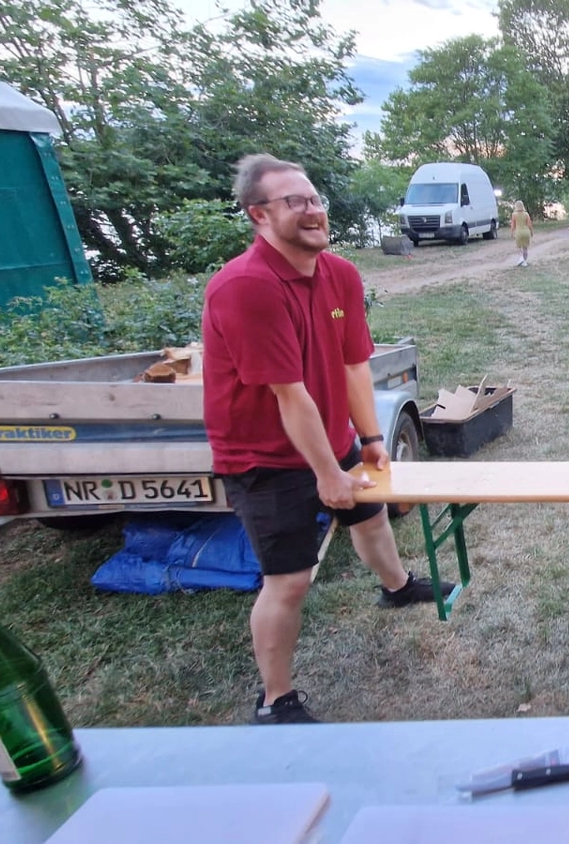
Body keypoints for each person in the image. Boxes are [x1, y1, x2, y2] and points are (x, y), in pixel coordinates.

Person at [202, 154, 450, 725]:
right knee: (288, 580)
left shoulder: (339, 274)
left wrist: (366, 437)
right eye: (295, 202)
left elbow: (353, 365)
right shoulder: (245, 287)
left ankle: (396, 586)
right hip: (261, 456)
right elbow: (288, 396)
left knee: (372, 517)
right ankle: (275, 699)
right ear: (258, 215)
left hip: (328, 435)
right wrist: (326, 474)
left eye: (315, 199)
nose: (313, 210)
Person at [510, 200, 534, 267]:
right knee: (525, 248)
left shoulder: (514, 214)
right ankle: (525, 261)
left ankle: (521, 258)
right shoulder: (526, 214)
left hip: (519, 232)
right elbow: (529, 224)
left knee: (519, 247)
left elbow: (513, 225)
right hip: (526, 232)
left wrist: (511, 232)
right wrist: (531, 232)